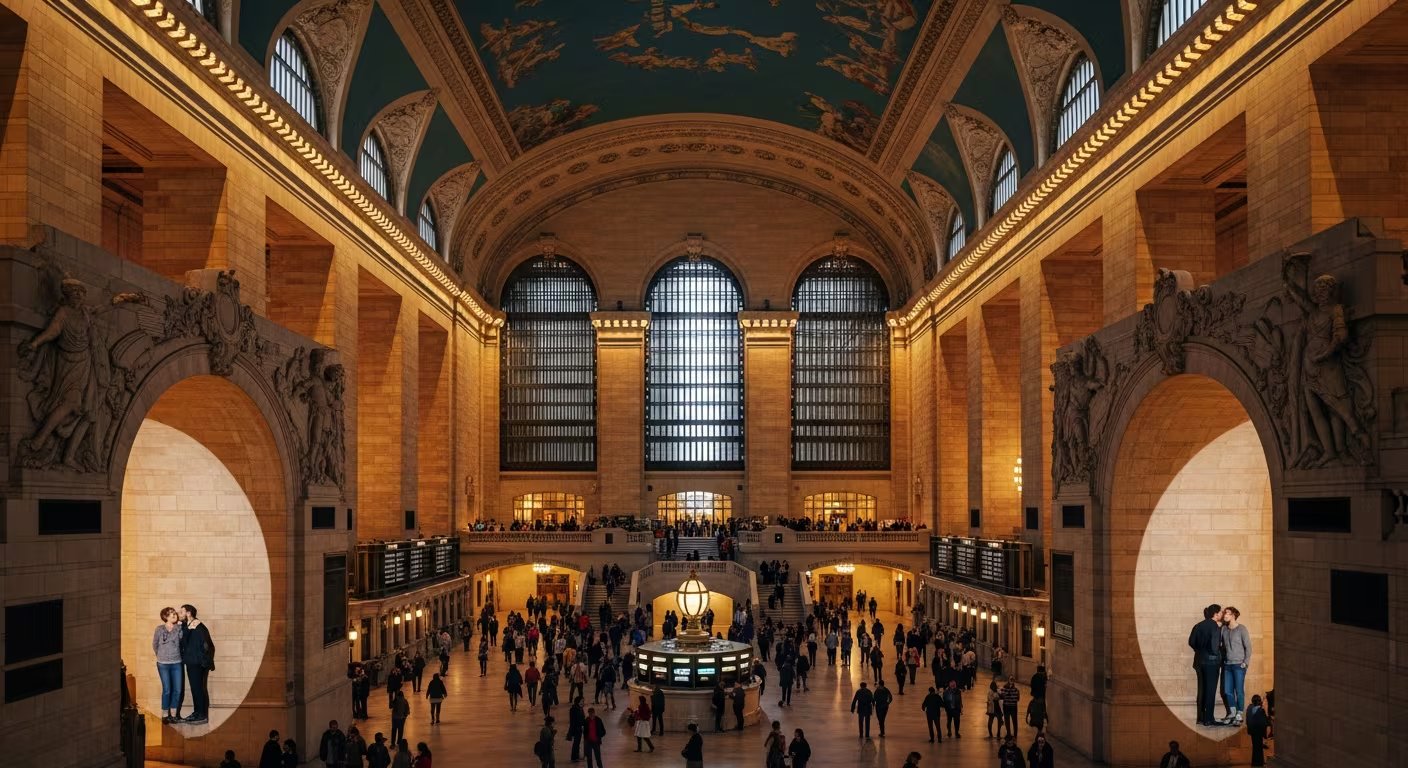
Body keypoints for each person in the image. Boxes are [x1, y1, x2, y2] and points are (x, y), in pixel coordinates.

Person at [178, 604, 215, 724]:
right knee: (196, 689)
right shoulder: (189, 626)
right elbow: (185, 642)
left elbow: (207, 646)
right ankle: (197, 712)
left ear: (188, 613)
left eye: (182, 612)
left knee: (198, 689)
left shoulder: (198, 626)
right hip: (192, 662)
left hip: (197, 664)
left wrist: (203, 663)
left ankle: (201, 714)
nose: (179, 614)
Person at [1188, 603, 1224, 726]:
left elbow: (1191, 642)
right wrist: (1218, 652)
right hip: (1211, 662)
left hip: (1199, 661)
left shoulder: (1198, 625)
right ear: (1216, 613)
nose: (1222, 614)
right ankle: (1209, 718)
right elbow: (1214, 647)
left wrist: (1200, 650)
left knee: (1202, 690)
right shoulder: (1215, 627)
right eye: (1221, 612)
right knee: (1210, 691)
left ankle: (1200, 718)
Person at [1220, 606, 1251, 725]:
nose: (1225, 616)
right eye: (1224, 614)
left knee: (1239, 691)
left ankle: (1239, 713)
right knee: (1227, 691)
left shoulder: (1242, 629)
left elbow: (1248, 647)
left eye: (1227, 613)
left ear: (1233, 615)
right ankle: (1232, 713)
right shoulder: (1224, 629)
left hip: (1239, 665)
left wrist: (1245, 663)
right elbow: (1222, 646)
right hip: (1227, 665)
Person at [153, 607, 184, 724]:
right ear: (165, 617)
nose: (174, 615)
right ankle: (165, 715)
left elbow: (181, 640)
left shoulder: (179, 628)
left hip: (176, 663)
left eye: (174, 613)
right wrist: (161, 655)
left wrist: (179, 627)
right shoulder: (159, 629)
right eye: (171, 614)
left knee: (177, 689)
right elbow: (155, 644)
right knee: (167, 690)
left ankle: (174, 715)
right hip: (163, 664)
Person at [1246, 695, 1270, 766]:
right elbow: (1265, 722)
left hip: (1252, 731)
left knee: (1255, 747)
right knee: (1259, 747)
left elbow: (1247, 720)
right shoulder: (1260, 710)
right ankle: (1259, 763)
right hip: (1258, 732)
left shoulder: (1249, 708)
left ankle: (1255, 762)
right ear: (1260, 702)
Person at [567, 697, 585, 763]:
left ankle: (576, 756)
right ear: (578, 701)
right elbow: (573, 721)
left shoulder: (580, 709)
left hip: (580, 728)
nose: (583, 702)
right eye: (582, 701)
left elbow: (582, 718)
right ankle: (574, 757)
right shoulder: (574, 709)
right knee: (576, 743)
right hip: (576, 728)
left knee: (577, 743)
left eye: (583, 701)